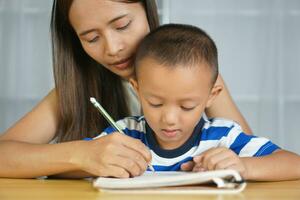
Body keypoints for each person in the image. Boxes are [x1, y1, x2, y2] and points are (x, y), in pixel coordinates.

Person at [0, 0, 251, 179]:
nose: (112, 48)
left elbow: (248, 157)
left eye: (121, 26)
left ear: (147, 9)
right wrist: (82, 154)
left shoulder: (193, 78)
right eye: (91, 38)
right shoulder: (75, 90)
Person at [95, 23, 300, 180]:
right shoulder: (125, 133)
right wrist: (98, 162)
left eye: (187, 106)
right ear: (137, 89)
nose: (169, 119)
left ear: (212, 95)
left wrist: (244, 166)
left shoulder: (223, 137)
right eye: (156, 103)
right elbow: (82, 162)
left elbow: (294, 164)